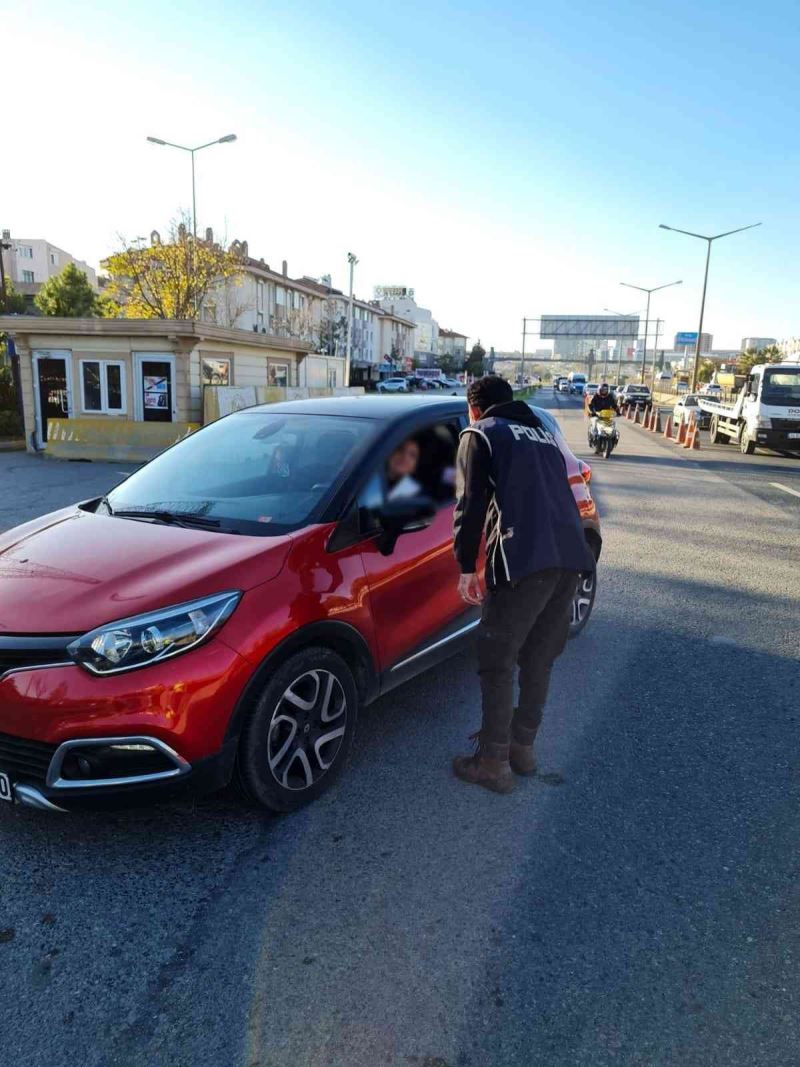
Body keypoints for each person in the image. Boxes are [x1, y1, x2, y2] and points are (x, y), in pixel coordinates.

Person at [452, 376, 594, 794]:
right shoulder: (544, 435)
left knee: (497, 659)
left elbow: (470, 503)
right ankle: (522, 748)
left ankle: (492, 763)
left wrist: (466, 566)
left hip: (524, 561)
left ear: (473, 408)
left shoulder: (481, 433)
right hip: (569, 559)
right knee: (538, 657)